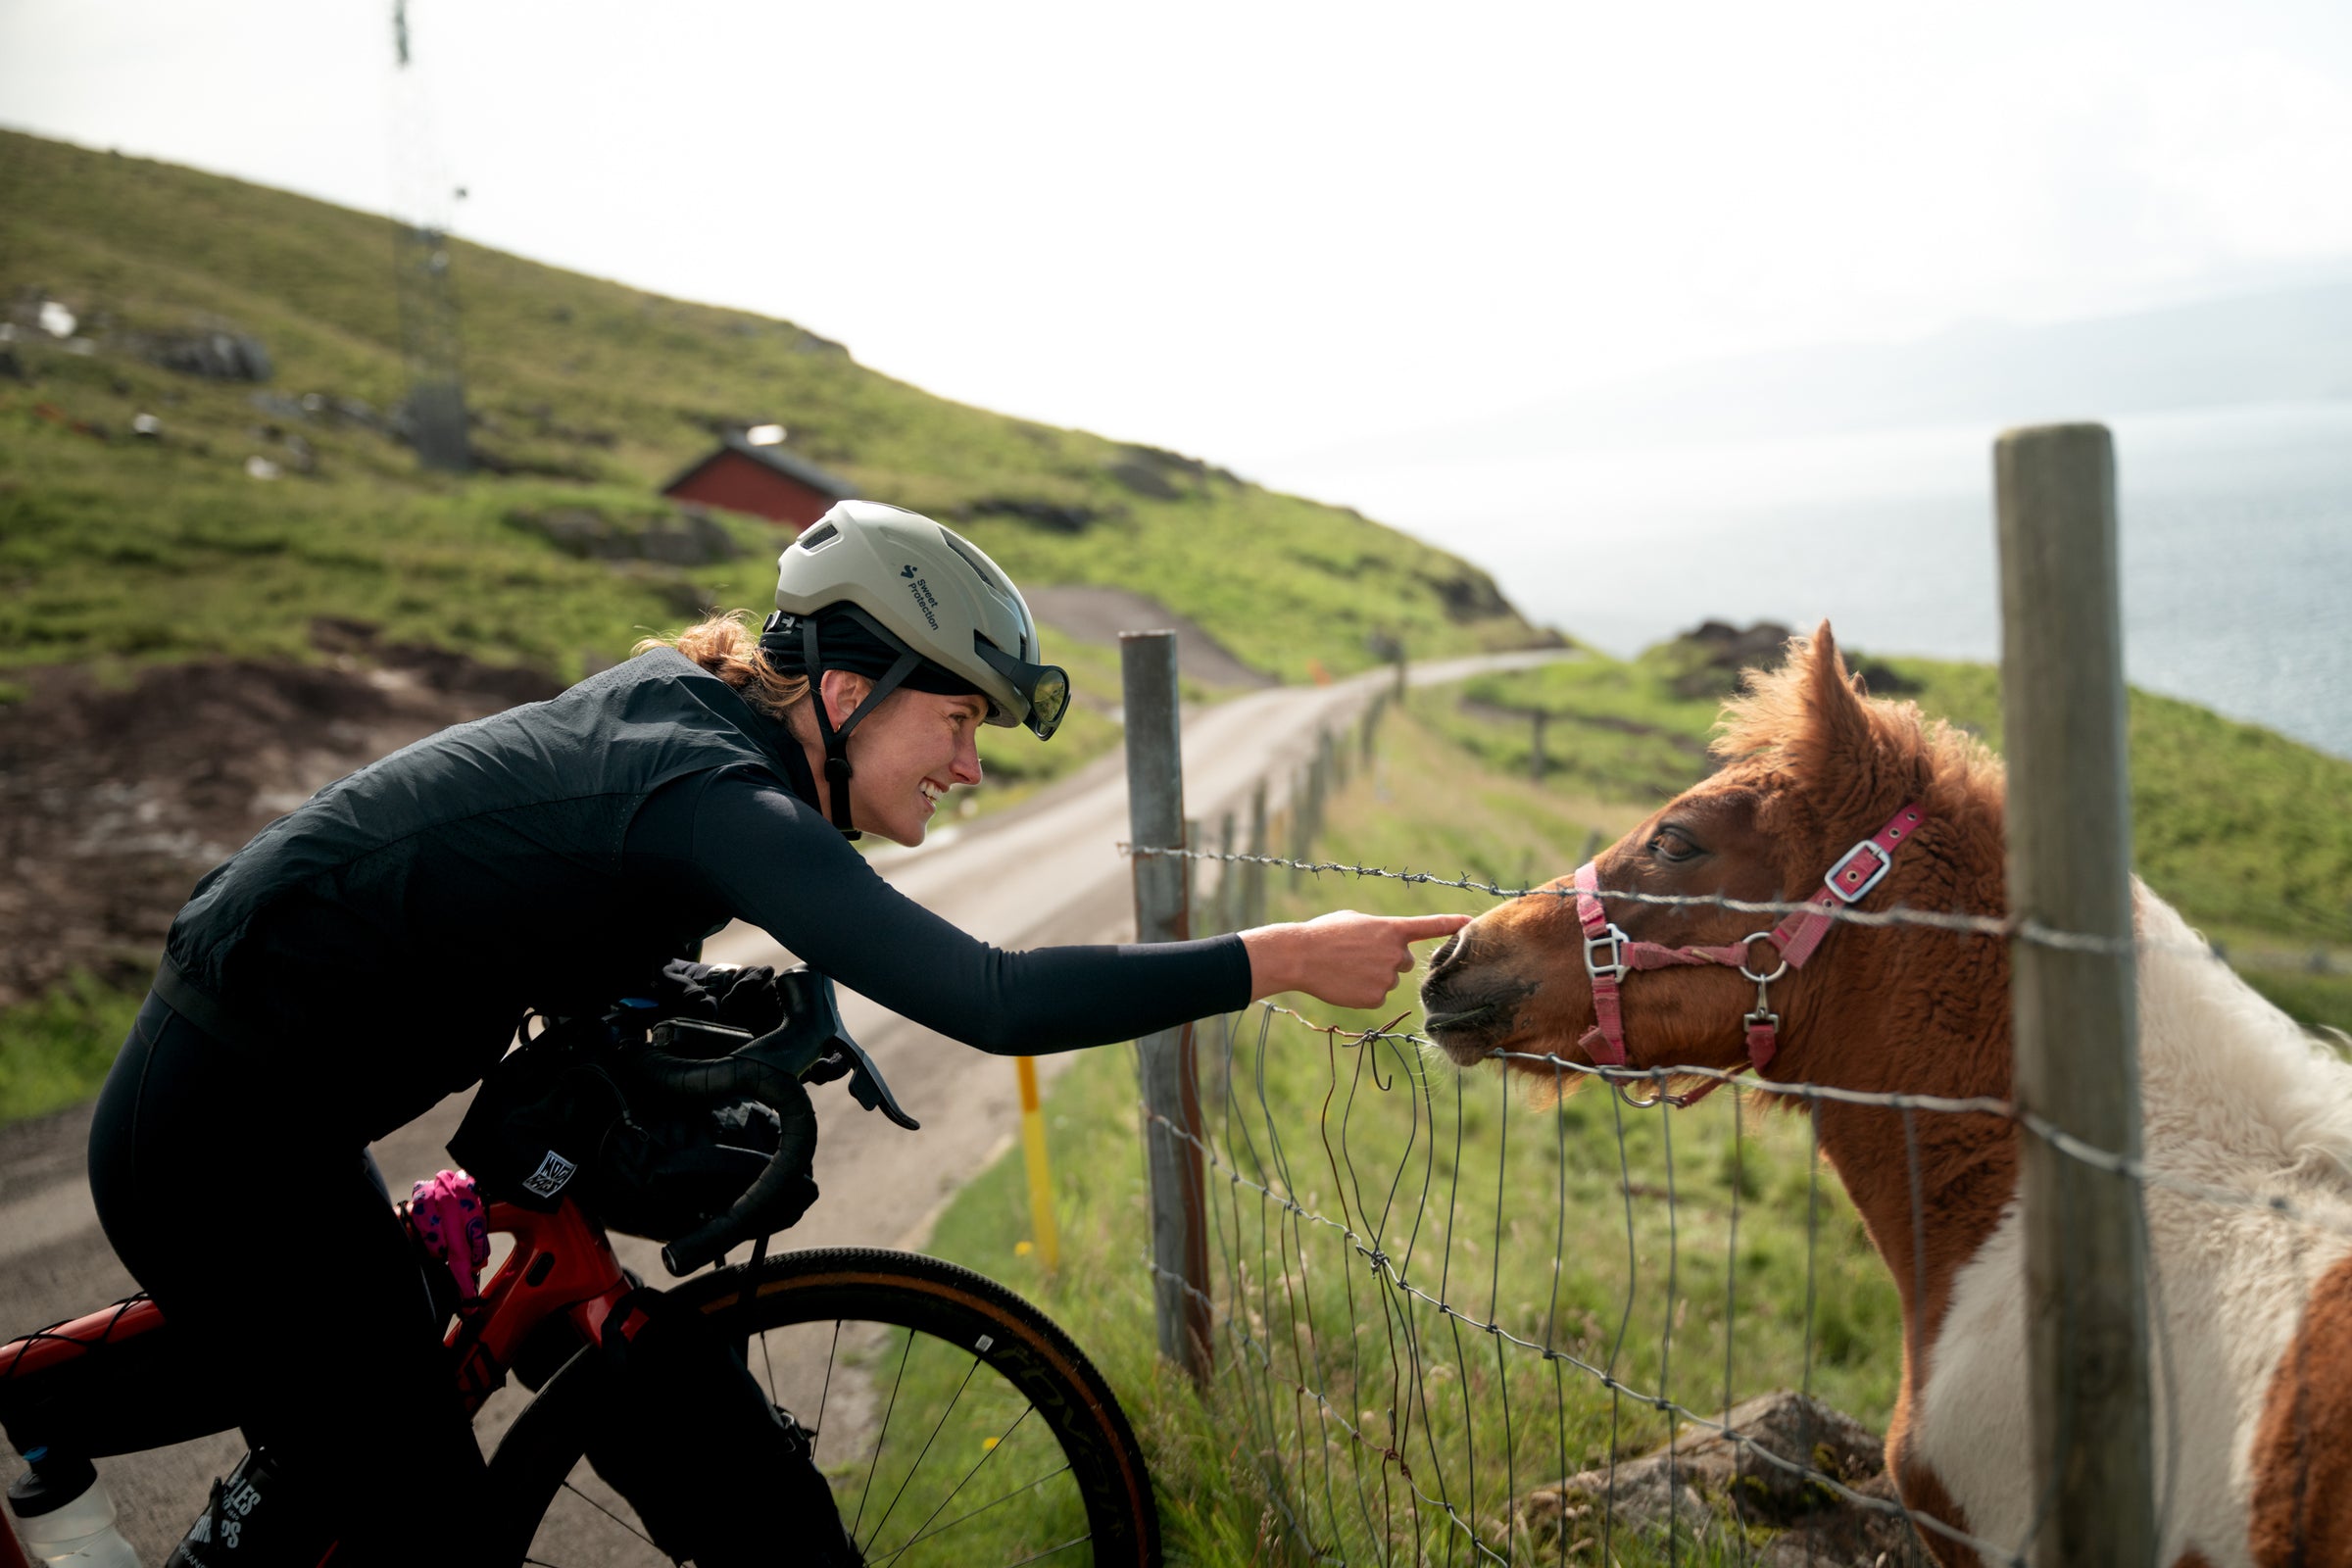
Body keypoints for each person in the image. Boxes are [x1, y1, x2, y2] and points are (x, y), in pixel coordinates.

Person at [86, 499, 1468, 1563]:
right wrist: (1280, 957)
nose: (970, 763)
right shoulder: (719, 793)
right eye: (957, 717)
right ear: (849, 688)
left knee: (416, 1381)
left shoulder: (703, 732)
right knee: (422, 1525)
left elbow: (556, 901)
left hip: (273, 1100)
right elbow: (993, 998)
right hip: (222, 1132)